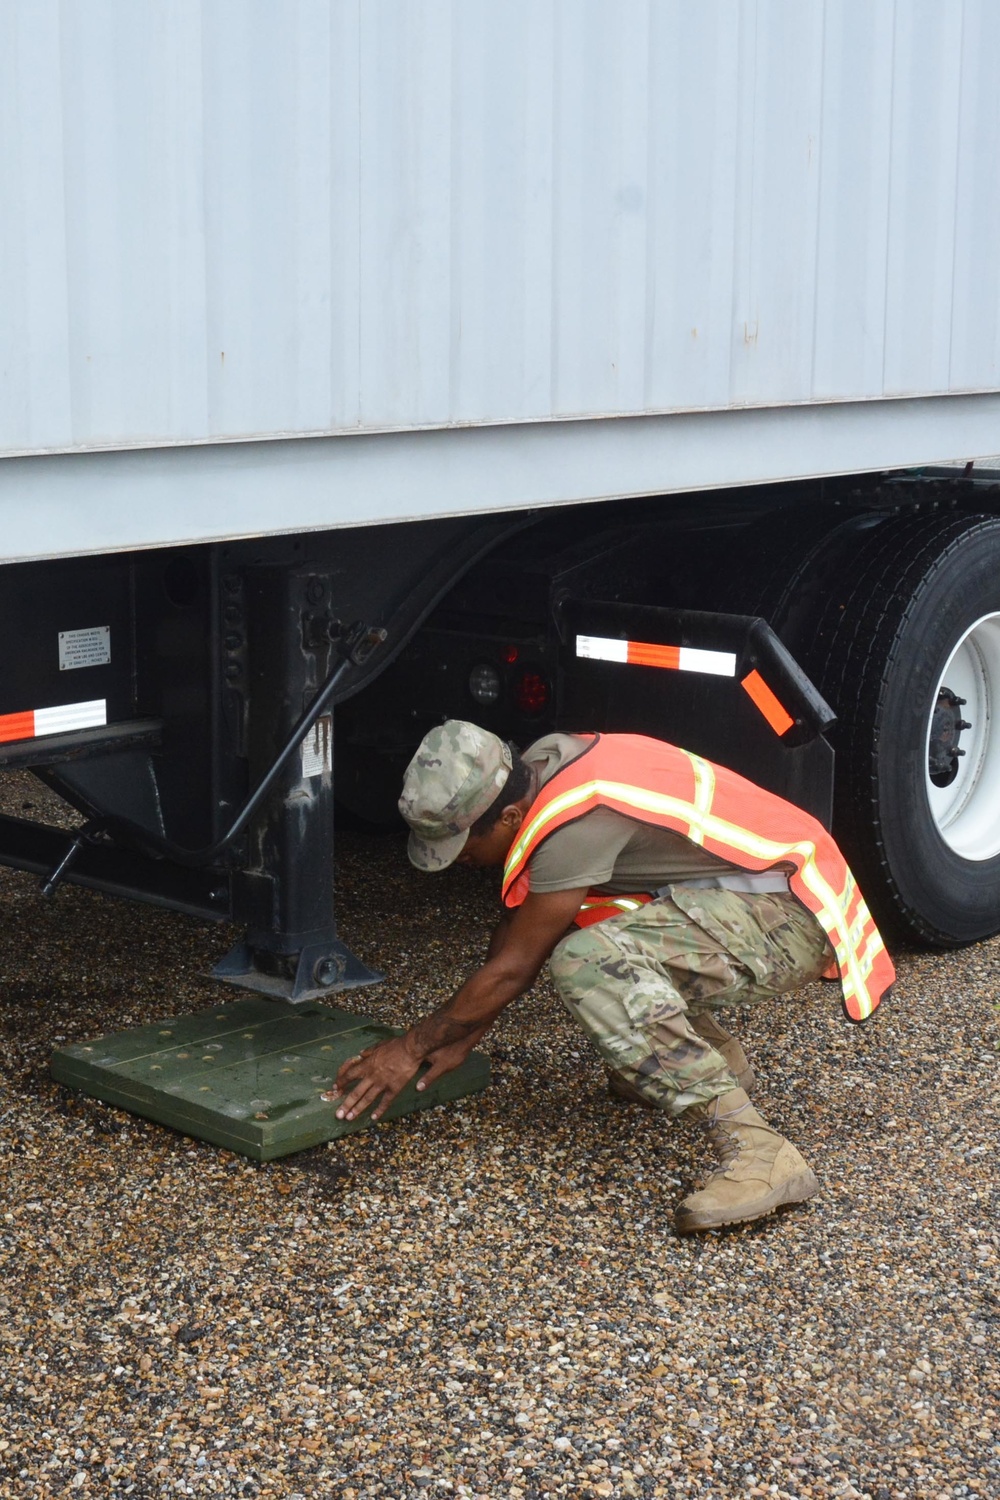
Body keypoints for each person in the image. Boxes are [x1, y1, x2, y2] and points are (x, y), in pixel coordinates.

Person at [328, 721, 894, 1233]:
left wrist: (409, 1048)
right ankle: (711, 1055)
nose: (458, 860)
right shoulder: (544, 766)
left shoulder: (579, 823)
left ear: (506, 817)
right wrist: (462, 1035)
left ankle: (760, 1152)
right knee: (589, 925)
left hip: (792, 918)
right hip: (749, 894)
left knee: (587, 960)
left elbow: (516, 967)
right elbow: (517, 929)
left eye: (462, 843)